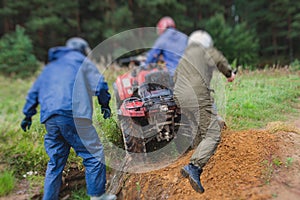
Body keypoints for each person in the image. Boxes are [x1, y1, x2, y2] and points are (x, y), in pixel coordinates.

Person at [20, 37, 116, 200]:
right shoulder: (80, 61)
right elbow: (99, 85)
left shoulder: (50, 67)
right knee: (93, 154)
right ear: (82, 49)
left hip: (50, 119)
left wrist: (27, 116)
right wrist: (104, 105)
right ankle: (98, 196)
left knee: (55, 163)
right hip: (74, 115)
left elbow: (33, 93)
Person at [173, 30, 235, 193]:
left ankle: (196, 155)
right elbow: (219, 60)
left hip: (179, 97)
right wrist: (229, 74)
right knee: (213, 132)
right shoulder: (205, 50)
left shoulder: (184, 55)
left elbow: (175, 78)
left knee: (200, 130)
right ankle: (194, 166)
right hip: (197, 95)